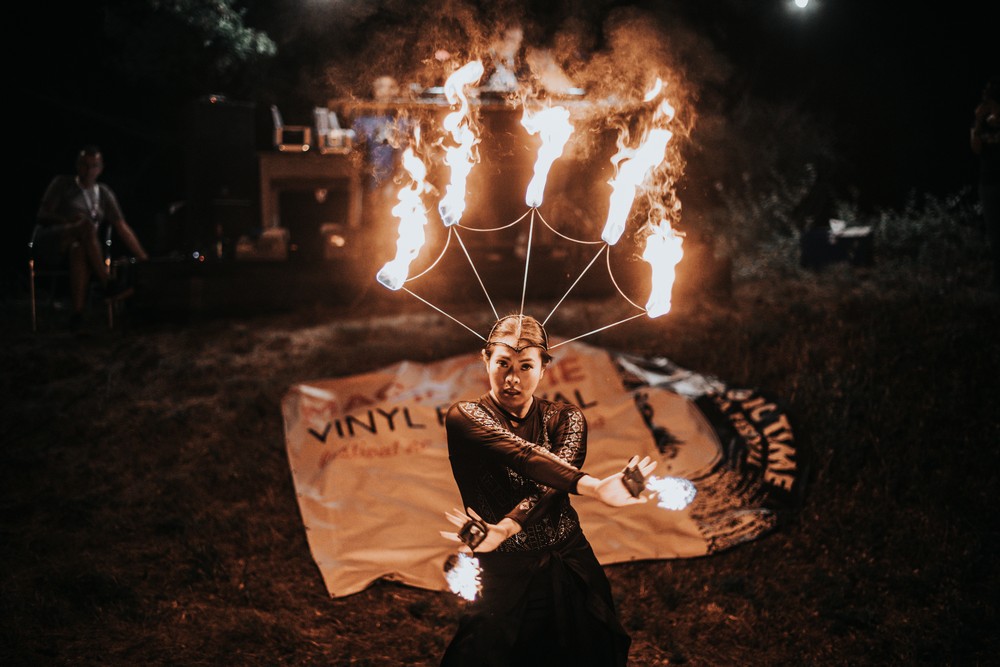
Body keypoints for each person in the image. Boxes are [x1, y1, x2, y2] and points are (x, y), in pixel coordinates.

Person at [440, 313, 656, 666]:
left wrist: (506, 527)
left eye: (526, 366)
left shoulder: (566, 418)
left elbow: (548, 486)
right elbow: (523, 454)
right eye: (503, 363)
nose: (512, 378)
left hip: (569, 558)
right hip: (502, 567)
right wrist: (594, 487)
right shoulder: (465, 416)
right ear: (486, 360)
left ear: (544, 369)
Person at [35, 145, 149, 327]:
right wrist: (69, 221)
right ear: (77, 165)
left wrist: (144, 259)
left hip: (83, 246)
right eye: (84, 165)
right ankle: (107, 282)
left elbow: (122, 227)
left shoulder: (103, 193)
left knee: (78, 249)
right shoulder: (63, 184)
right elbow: (42, 214)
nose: (89, 170)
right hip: (56, 240)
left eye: (94, 166)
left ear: (100, 169)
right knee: (86, 225)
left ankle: (77, 315)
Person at [971, 76, 1000, 291]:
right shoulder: (981, 123)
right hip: (988, 183)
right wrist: (978, 121)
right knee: (994, 235)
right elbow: (976, 148)